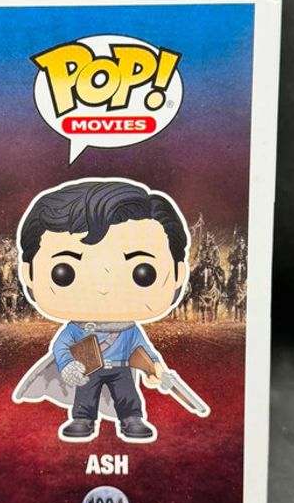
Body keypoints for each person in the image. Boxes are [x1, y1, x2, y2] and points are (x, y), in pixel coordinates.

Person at [12, 178, 190, 443]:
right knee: (85, 397)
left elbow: (142, 349)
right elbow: (61, 346)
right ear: (29, 274)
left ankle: (132, 419)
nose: (103, 288)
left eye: (143, 272)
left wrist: (155, 368)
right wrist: (68, 365)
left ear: (178, 274)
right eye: (64, 272)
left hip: (121, 368)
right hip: (88, 368)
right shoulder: (76, 329)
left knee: (127, 395)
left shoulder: (129, 330)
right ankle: (82, 420)